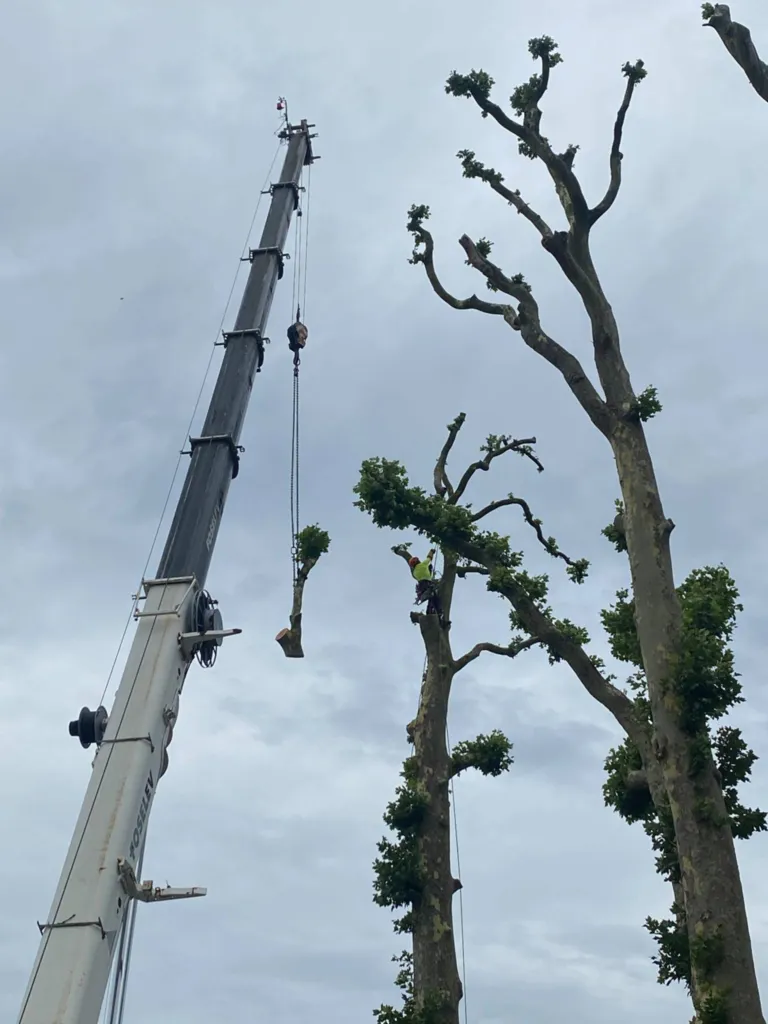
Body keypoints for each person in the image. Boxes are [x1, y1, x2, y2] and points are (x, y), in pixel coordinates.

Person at [408, 549, 441, 618]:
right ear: (418, 561)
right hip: (427, 584)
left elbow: (426, 576)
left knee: (431, 597)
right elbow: (429, 558)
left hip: (421, 587)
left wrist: (430, 571)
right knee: (434, 598)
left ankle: (431, 612)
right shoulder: (423, 564)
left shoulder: (414, 573)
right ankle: (438, 612)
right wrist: (431, 551)